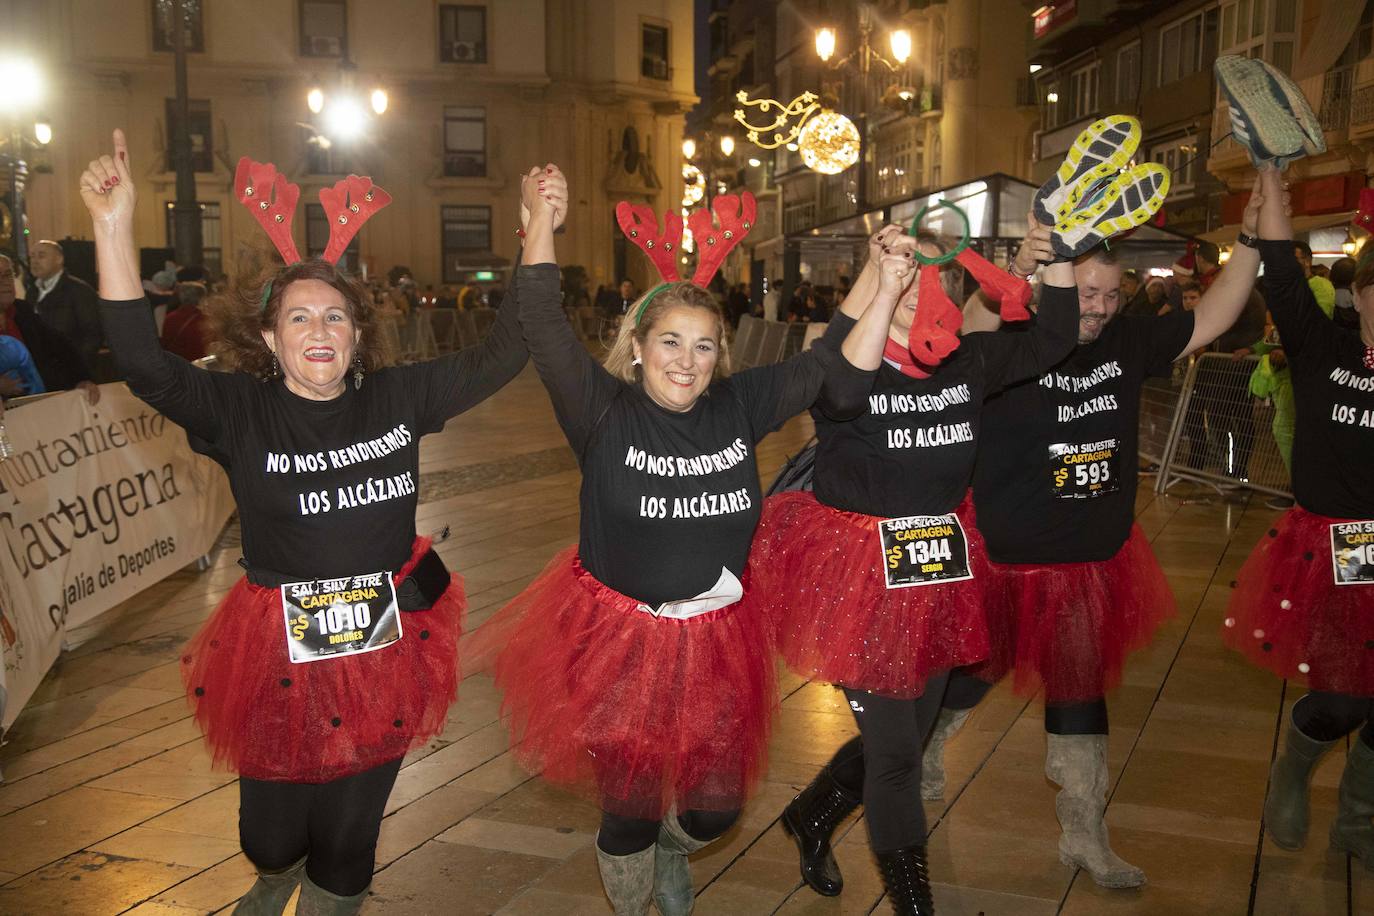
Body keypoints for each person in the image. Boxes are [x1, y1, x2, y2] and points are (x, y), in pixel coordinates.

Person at [78, 129, 533, 915]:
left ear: (357, 338)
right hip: (274, 643)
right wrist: (112, 228)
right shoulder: (238, 411)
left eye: (335, 319)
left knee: (349, 843)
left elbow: (507, 348)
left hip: (389, 638)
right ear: (268, 337)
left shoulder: (399, 399)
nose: (318, 332)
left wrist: (539, 236)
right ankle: (277, 869)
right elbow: (144, 365)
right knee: (272, 840)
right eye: (298, 319)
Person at [468, 171, 873, 916]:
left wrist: (880, 273)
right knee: (627, 809)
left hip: (718, 638)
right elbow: (542, 323)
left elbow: (825, 363)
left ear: (722, 354)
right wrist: (540, 219)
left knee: (716, 805)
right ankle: (637, 893)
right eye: (671, 343)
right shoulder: (600, 411)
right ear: (639, 345)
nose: (686, 361)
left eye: (704, 346)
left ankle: (672, 850)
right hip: (620, 641)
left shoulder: (737, 405)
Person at [928, 181, 1264, 889]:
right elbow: (959, 336)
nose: (1100, 308)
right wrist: (1019, 269)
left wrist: (1255, 244)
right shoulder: (1015, 338)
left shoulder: (1130, 338)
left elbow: (1217, 314)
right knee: (971, 674)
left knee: (1081, 696)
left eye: (1112, 294)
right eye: (1086, 293)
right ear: (1058, 286)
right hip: (1004, 558)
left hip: (1086, 564)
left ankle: (1085, 832)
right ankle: (922, 753)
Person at [754, 218, 1080, 911]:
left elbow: (1053, 340)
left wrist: (1063, 254)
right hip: (856, 580)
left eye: (937, 279)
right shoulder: (844, 357)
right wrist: (882, 281)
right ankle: (915, 904)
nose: (920, 294)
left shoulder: (968, 361)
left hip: (937, 573)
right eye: (907, 281)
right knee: (900, 757)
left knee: (905, 737)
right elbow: (841, 396)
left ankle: (813, 814)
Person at [1223, 167, 1374, 871]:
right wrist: (1273, 184)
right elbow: (1280, 273)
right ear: (1362, 296)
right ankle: (1293, 768)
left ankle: (1359, 819)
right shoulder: (1326, 348)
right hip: (1334, 551)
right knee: (1342, 700)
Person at [0, 253, 100, 403]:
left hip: (37, 410)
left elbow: (62, 346)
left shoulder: (23, 311)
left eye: (8, 275)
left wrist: (81, 379)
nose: (5, 282)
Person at [27, 238, 105, 369]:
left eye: (41, 256)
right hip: (41, 368)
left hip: (71, 369)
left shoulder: (79, 291)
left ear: (59, 259)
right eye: (32, 257)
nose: (34, 261)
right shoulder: (31, 292)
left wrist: (76, 365)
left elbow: (93, 335)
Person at [160, 269, 210, 362]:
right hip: (200, 366)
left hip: (179, 365)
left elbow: (165, 344)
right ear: (202, 297)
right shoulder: (208, 318)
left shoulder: (171, 318)